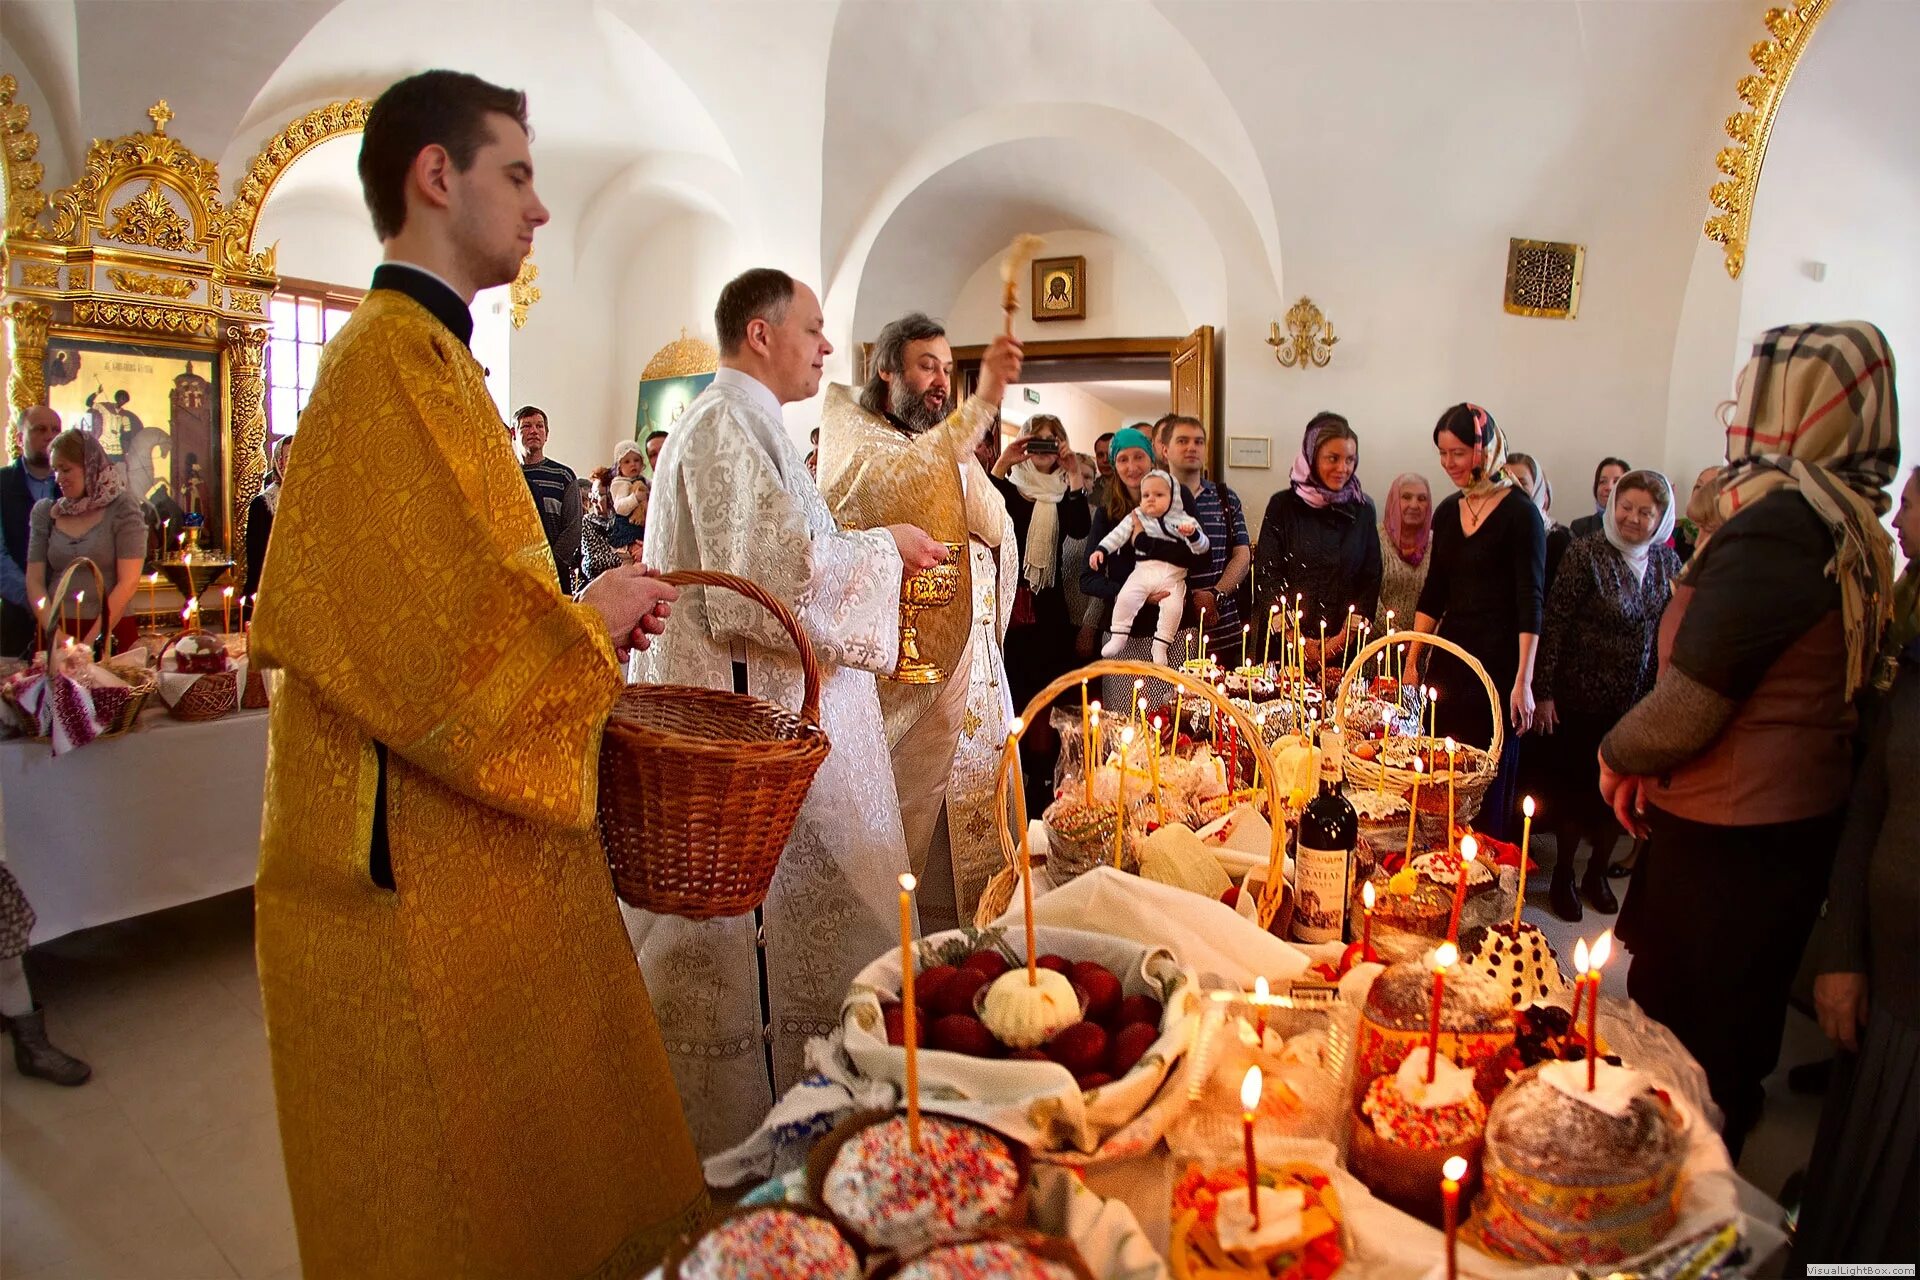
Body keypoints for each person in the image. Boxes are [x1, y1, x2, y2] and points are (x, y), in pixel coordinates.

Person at [248, 70, 705, 1276]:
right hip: (400, 839)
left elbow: (457, 588)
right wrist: (583, 617)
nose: (542, 208)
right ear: (436, 176)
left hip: (473, 820)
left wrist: (579, 618)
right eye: (518, 172)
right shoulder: (383, 361)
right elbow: (404, 633)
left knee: (528, 1148)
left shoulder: (434, 360)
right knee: (438, 1174)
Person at [630, 268, 950, 1157]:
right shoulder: (727, 424)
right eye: (811, 329)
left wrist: (870, 550)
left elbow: (789, 554)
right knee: (757, 947)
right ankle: (758, 1130)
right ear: (760, 333)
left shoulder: (749, 424)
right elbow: (763, 589)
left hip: (778, 721)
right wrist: (884, 547)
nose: (823, 347)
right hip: (749, 737)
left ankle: (829, 1113)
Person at [1600, 321, 1899, 1160]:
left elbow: (1696, 696)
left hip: (1733, 839)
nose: (1736, 412)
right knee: (1730, 1028)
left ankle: (1680, 1206)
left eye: (1752, 395)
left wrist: (1617, 754)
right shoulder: (1847, 520)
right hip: (1779, 831)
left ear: (1793, 410)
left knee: (1688, 1046)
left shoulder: (1782, 524)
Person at [819, 312, 1022, 929]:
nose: (940, 381)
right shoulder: (859, 441)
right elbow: (908, 482)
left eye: (946, 369)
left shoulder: (941, 454)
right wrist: (986, 396)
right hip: (900, 679)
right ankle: (894, 954)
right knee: (897, 834)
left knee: (978, 842)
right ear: (887, 370)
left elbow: (996, 527)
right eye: (925, 366)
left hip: (973, 670)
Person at [1791, 466, 1918, 1267]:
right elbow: (1873, 800)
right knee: (1856, 1183)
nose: (1895, 521)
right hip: (1888, 971)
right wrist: (1841, 954)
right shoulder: (1914, 644)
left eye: (1911, 504)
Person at [1531, 470, 1679, 922]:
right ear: (1613, 507)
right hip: (1582, 697)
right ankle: (1564, 877)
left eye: (1645, 512)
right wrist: (1546, 692)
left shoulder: (1667, 564)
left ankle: (1597, 873)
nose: (1634, 519)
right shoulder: (1586, 553)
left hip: (1638, 702)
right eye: (1626, 508)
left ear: (1661, 518)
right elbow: (1554, 623)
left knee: (1621, 797)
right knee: (1579, 791)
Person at [1406, 403, 1545, 840]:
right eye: (1443, 454)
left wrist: (1524, 680)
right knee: (1441, 773)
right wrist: (1414, 657)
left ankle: (1484, 875)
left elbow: (1531, 599)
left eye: (1459, 453)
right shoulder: (1449, 511)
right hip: (1453, 657)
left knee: (1488, 776)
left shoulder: (1522, 513)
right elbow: (1434, 591)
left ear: (1484, 450)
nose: (1449, 464)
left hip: (1501, 660)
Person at [989, 414, 1093, 813]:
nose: (1046, 449)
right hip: (1014, 608)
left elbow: (1081, 527)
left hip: (1049, 611)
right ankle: (1013, 777)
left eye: (1054, 441)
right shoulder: (1013, 491)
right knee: (1014, 693)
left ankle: (1042, 785)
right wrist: (1003, 460)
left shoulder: (1062, 494)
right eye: (1039, 441)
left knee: (1049, 697)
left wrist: (1074, 474)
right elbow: (988, 507)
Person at [1253, 412, 1381, 673]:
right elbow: (1268, 573)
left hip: (1344, 649)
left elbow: (1370, 578)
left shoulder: (1362, 508)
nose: (1343, 468)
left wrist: (1336, 643)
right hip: (1284, 646)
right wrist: (1297, 641)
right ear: (1312, 456)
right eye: (1333, 458)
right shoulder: (1283, 506)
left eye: (1350, 459)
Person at [26, 430, 146, 656]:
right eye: (56, 470)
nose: (59, 478)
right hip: (56, 630)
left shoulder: (122, 507)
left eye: (66, 469)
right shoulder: (46, 512)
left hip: (110, 628)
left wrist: (91, 642)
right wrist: (57, 635)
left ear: (89, 466)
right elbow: (34, 581)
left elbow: (128, 582)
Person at [1092, 469, 1208, 664]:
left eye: (1159, 495)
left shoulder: (1185, 521)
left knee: (1173, 608)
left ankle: (1161, 645)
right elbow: (1118, 534)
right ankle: (1119, 635)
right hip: (1145, 571)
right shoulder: (1137, 516)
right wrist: (1101, 549)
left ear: (1173, 498)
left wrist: (1193, 535)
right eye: (1146, 495)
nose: (1151, 499)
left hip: (1173, 577)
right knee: (1127, 595)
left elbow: (1202, 549)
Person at [1160, 414, 1252, 656]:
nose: (1192, 447)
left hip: (1223, 633)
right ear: (1165, 450)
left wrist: (1215, 595)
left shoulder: (1225, 497)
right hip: (1166, 638)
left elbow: (1242, 556)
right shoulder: (1149, 500)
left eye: (1198, 441)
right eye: (1182, 441)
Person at [1, 407, 61, 658]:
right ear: (19, 438)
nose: (49, 436)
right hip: (16, 617)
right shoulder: (3, 484)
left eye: (55, 430)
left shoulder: (72, 486)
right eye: (39, 429)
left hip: (67, 615)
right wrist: (36, 600)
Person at [514, 404, 579, 590]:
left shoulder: (564, 475)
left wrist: (550, 564)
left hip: (555, 574)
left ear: (547, 434)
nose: (534, 431)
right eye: (526, 426)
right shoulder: (506, 476)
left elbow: (573, 529)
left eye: (539, 426)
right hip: (515, 573)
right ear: (514, 433)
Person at [1375, 472, 1432, 635]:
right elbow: (1370, 598)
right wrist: (1398, 637)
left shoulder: (1438, 543)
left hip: (1424, 648)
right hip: (1379, 648)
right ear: (1393, 501)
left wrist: (1417, 643)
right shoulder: (1374, 538)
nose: (1414, 505)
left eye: (1422, 499)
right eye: (1406, 497)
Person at [1504, 451, 1571, 589]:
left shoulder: (1557, 538)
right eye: (1507, 481)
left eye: (1521, 482)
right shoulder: (1489, 529)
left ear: (1538, 489)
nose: (1513, 489)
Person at [244, 434, 293, 613]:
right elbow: (256, 557)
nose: (294, 462)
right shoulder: (263, 504)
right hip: (270, 589)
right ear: (278, 462)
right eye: (288, 457)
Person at [576, 466, 622, 592]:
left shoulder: (626, 522)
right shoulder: (588, 522)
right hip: (598, 591)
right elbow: (592, 564)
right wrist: (624, 559)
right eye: (592, 494)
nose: (593, 500)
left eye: (598, 495)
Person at [1569, 456, 1629, 540]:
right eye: (1602, 481)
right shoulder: (1580, 527)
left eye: (1616, 482)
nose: (1609, 487)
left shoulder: (1634, 527)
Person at [608, 439, 647, 551]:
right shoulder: (620, 483)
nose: (633, 464)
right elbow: (620, 507)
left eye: (636, 460)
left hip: (641, 527)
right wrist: (635, 498)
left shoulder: (642, 481)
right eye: (627, 462)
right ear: (619, 466)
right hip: (627, 528)